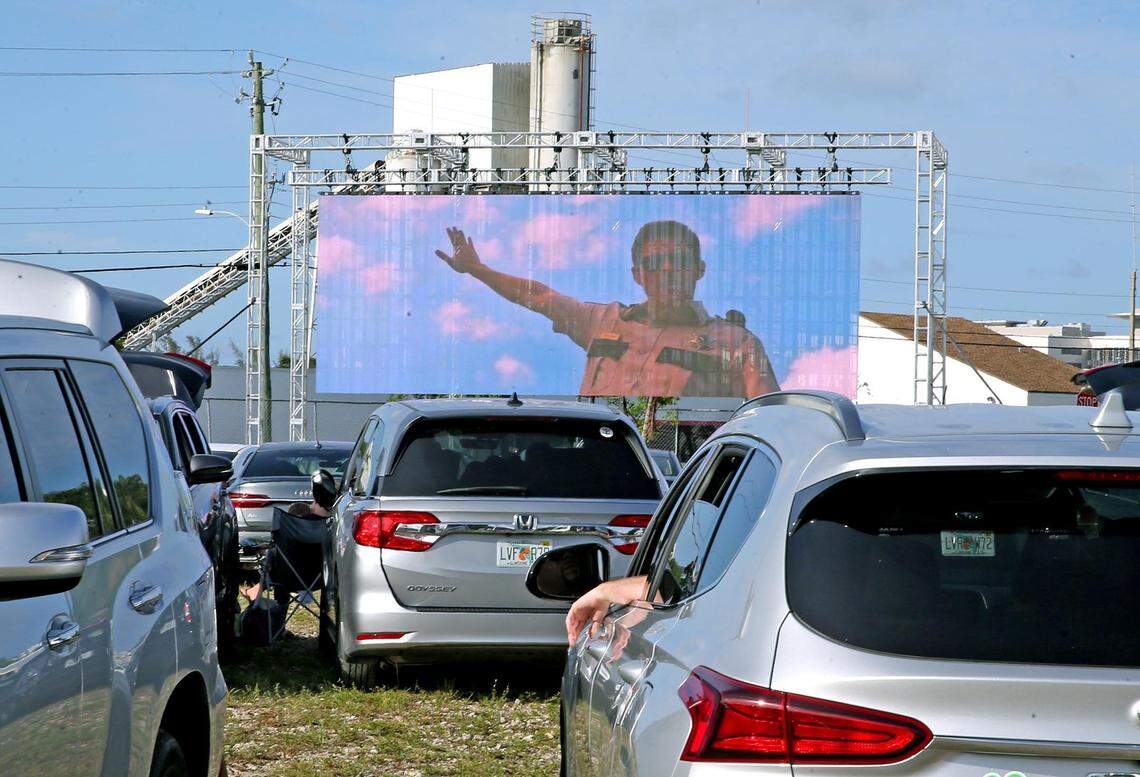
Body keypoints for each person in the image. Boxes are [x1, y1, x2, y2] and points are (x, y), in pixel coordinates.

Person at [434, 220, 780, 397]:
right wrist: (478, 270)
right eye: (655, 262)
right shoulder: (602, 320)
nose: (667, 271)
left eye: (678, 261)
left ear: (699, 269)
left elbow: (767, 415)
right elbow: (539, 296)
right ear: (637, 274)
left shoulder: (737, 343)